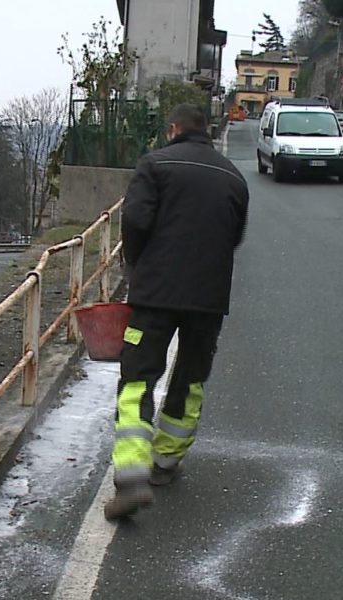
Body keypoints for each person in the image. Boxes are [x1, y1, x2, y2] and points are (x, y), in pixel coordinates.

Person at [104, 103, 250, 521]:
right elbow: (234, 236)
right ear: (205, 131)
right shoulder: (233, 177)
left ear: (172, 130)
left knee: (138, 379)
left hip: (155, 294)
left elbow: (135, 219)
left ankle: (132, 479)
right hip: (209, 298)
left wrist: (136, 265)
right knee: (190, 378)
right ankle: (165, 464)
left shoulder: (155, 165)